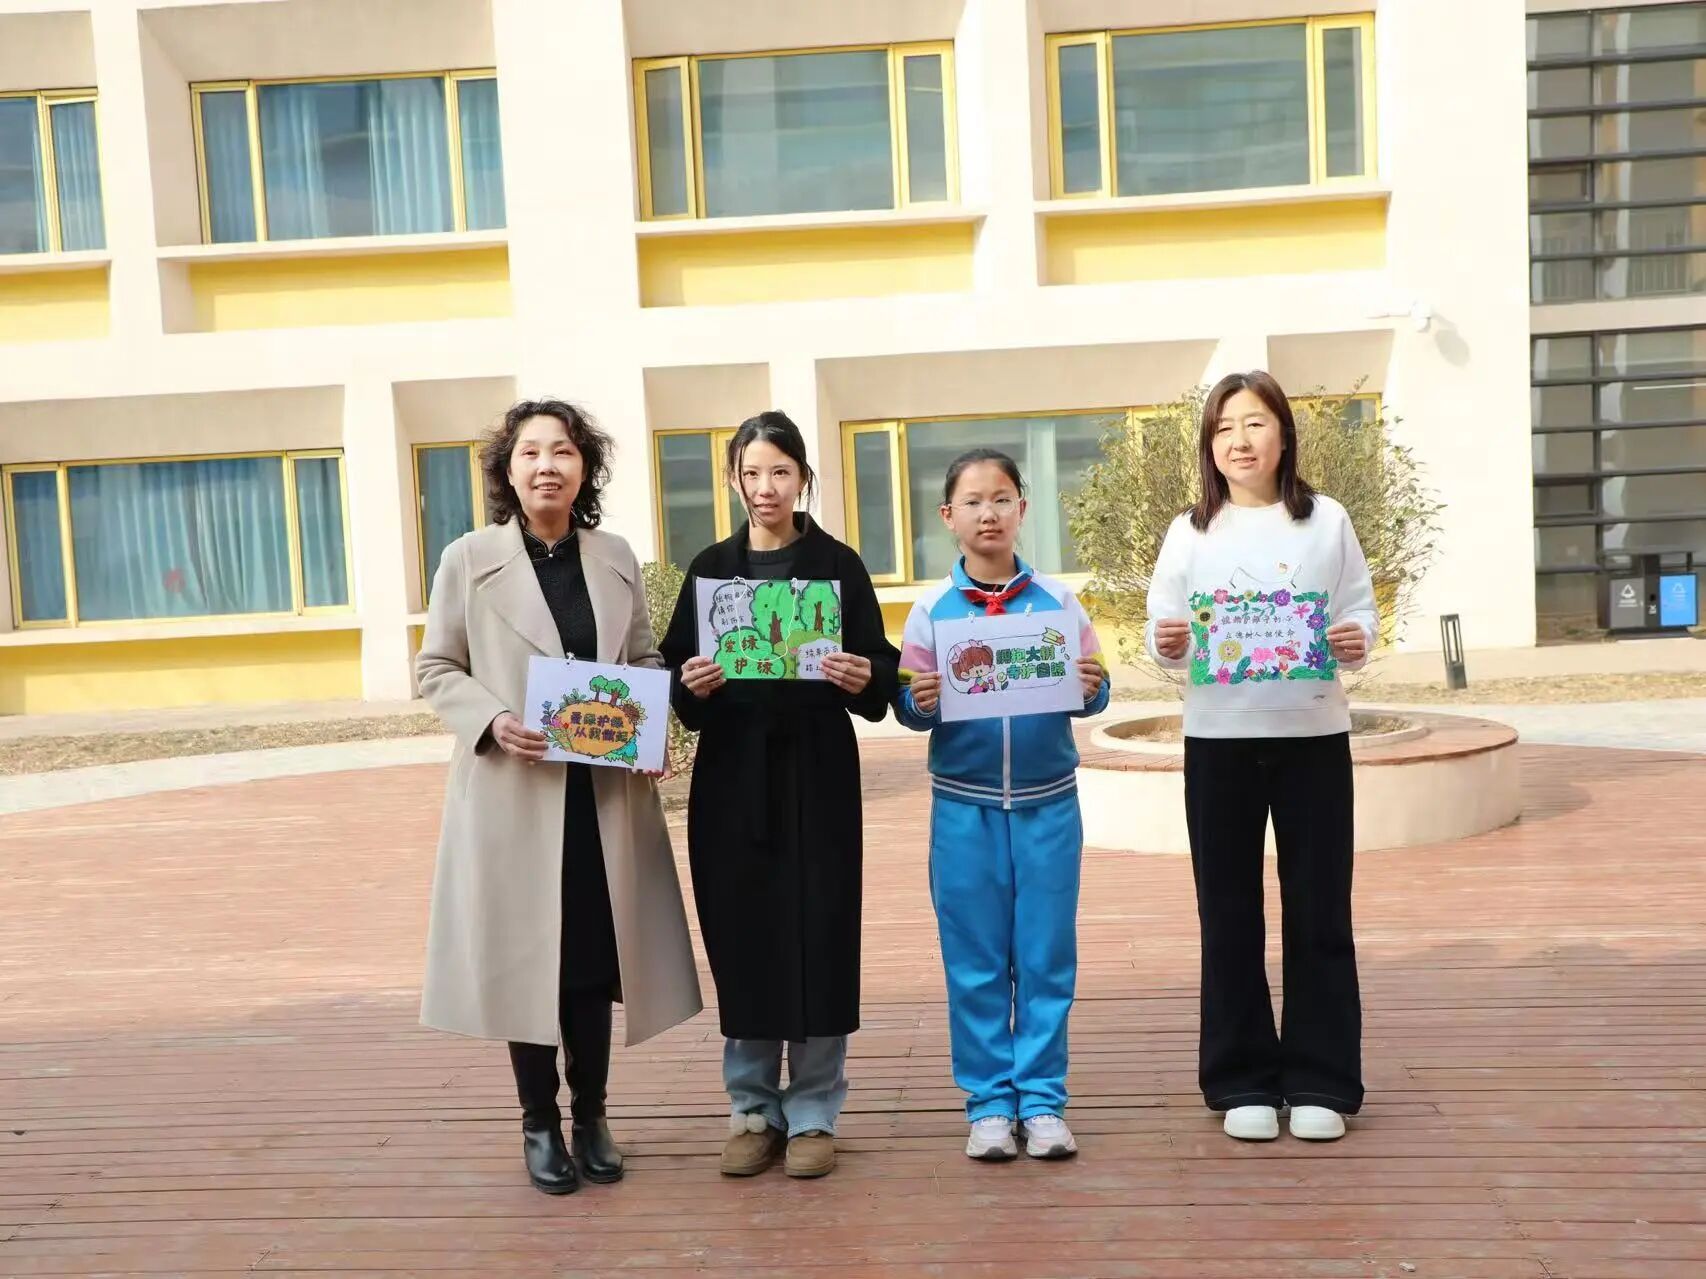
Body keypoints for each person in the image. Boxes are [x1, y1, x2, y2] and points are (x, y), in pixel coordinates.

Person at [416, 398, 702, 1194]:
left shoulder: (613, 555)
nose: (548, 465)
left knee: (591, 960)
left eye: (564, 451)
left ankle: (593, 1115)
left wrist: (652, 731)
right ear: (507, 470)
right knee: (528, 960)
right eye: (531, 452)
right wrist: (492, 718)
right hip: (515, 792)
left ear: (585, 468)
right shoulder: (468, 558)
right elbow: (436, 666)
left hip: (601, 796)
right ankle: (538, 1121)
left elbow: (644, 661)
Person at [659, 410, 899, 1180]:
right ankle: (752, 1108)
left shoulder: (837, 565)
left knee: (822, 935)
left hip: (818, 776)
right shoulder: (710, 569)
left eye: (780, 472)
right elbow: (674, 681)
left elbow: (881, 671)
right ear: (734, 478)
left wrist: (864, 675)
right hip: (734, 778)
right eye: (752, 472)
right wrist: (691, 685)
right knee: (745, 936)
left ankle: (816, 1110)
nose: (766, 486)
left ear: (802, 478)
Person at [1145, 370, 1376, 1144]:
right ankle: (1240, 1077)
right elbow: (1165, 626)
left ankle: (1321, 1079)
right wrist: (1167, 642)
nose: (1239, 441)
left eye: (1254, 423)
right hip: (1219, 742)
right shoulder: (1190, 530)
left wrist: (1356, 640)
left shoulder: (1327, 520)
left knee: (1320, 909)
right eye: (1223, 428)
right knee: (1228, 913)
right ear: (1209, 446)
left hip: (1313, 738)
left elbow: (1358, 611)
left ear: (1284, 434)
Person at [892, 447, 1109, 1161]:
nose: (989, 513)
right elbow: (910, 704)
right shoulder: (931, 610)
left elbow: (1095, 687)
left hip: (1049, 805)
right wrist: (918, 701)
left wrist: (1092, 686)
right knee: (975, 960)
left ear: (1022, 509)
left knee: (1046, 957)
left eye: (1002, 499)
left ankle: (1042, 1101)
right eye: (973, 501)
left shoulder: (1059, 602)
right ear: (948, 516)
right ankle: (988, 1103)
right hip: (965, 809)